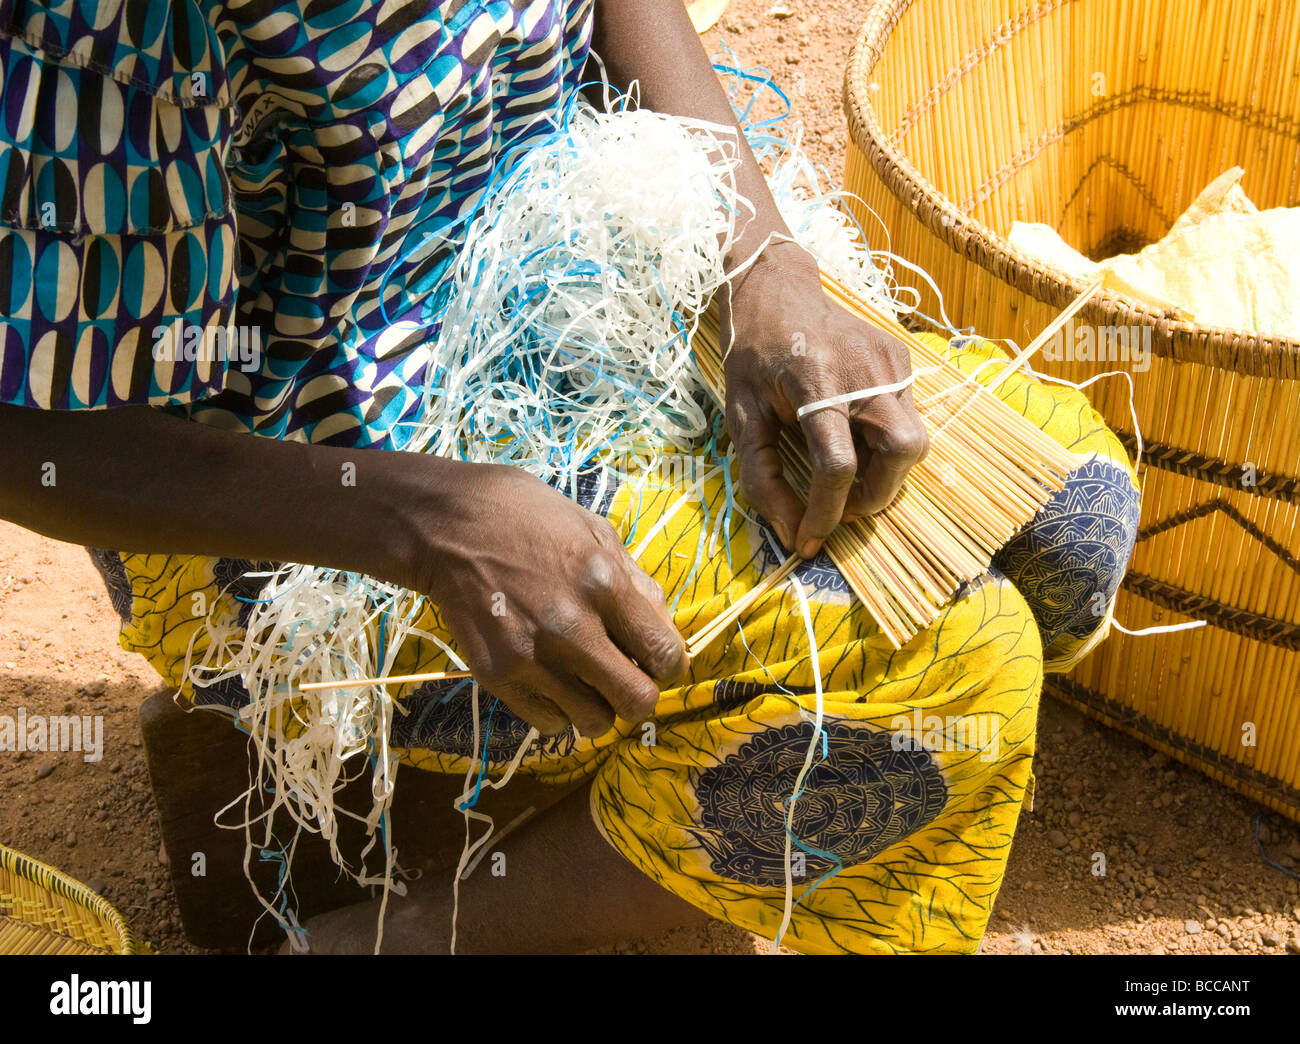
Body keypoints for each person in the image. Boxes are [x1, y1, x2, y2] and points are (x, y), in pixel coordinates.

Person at [0, 0, 1139, 953]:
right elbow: (33, 432)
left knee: (1074, 517)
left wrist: (759, 258)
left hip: (583, 272)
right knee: (952, 678)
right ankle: (399, 937)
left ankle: (696, 805)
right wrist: (424, 523)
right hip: (306, 475)